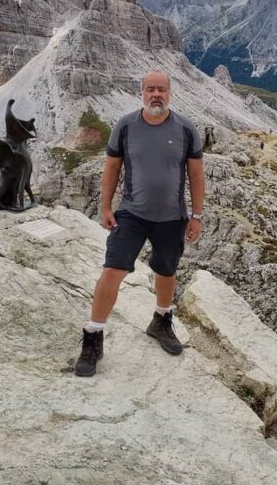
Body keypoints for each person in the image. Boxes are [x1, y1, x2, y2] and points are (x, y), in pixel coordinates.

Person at [74, 70, 205, 377]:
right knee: (113, 269)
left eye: (161, 89)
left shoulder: (186, 129)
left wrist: (197, 216)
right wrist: (106, 206)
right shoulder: (125, 126)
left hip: (172, 216)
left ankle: (161, 322)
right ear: (142, 93)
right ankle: (93, 337)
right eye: (150, 89)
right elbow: (112, 167)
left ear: (169, 93)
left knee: (167, 270)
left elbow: (197, 175)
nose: (155, 94)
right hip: (131, 214)